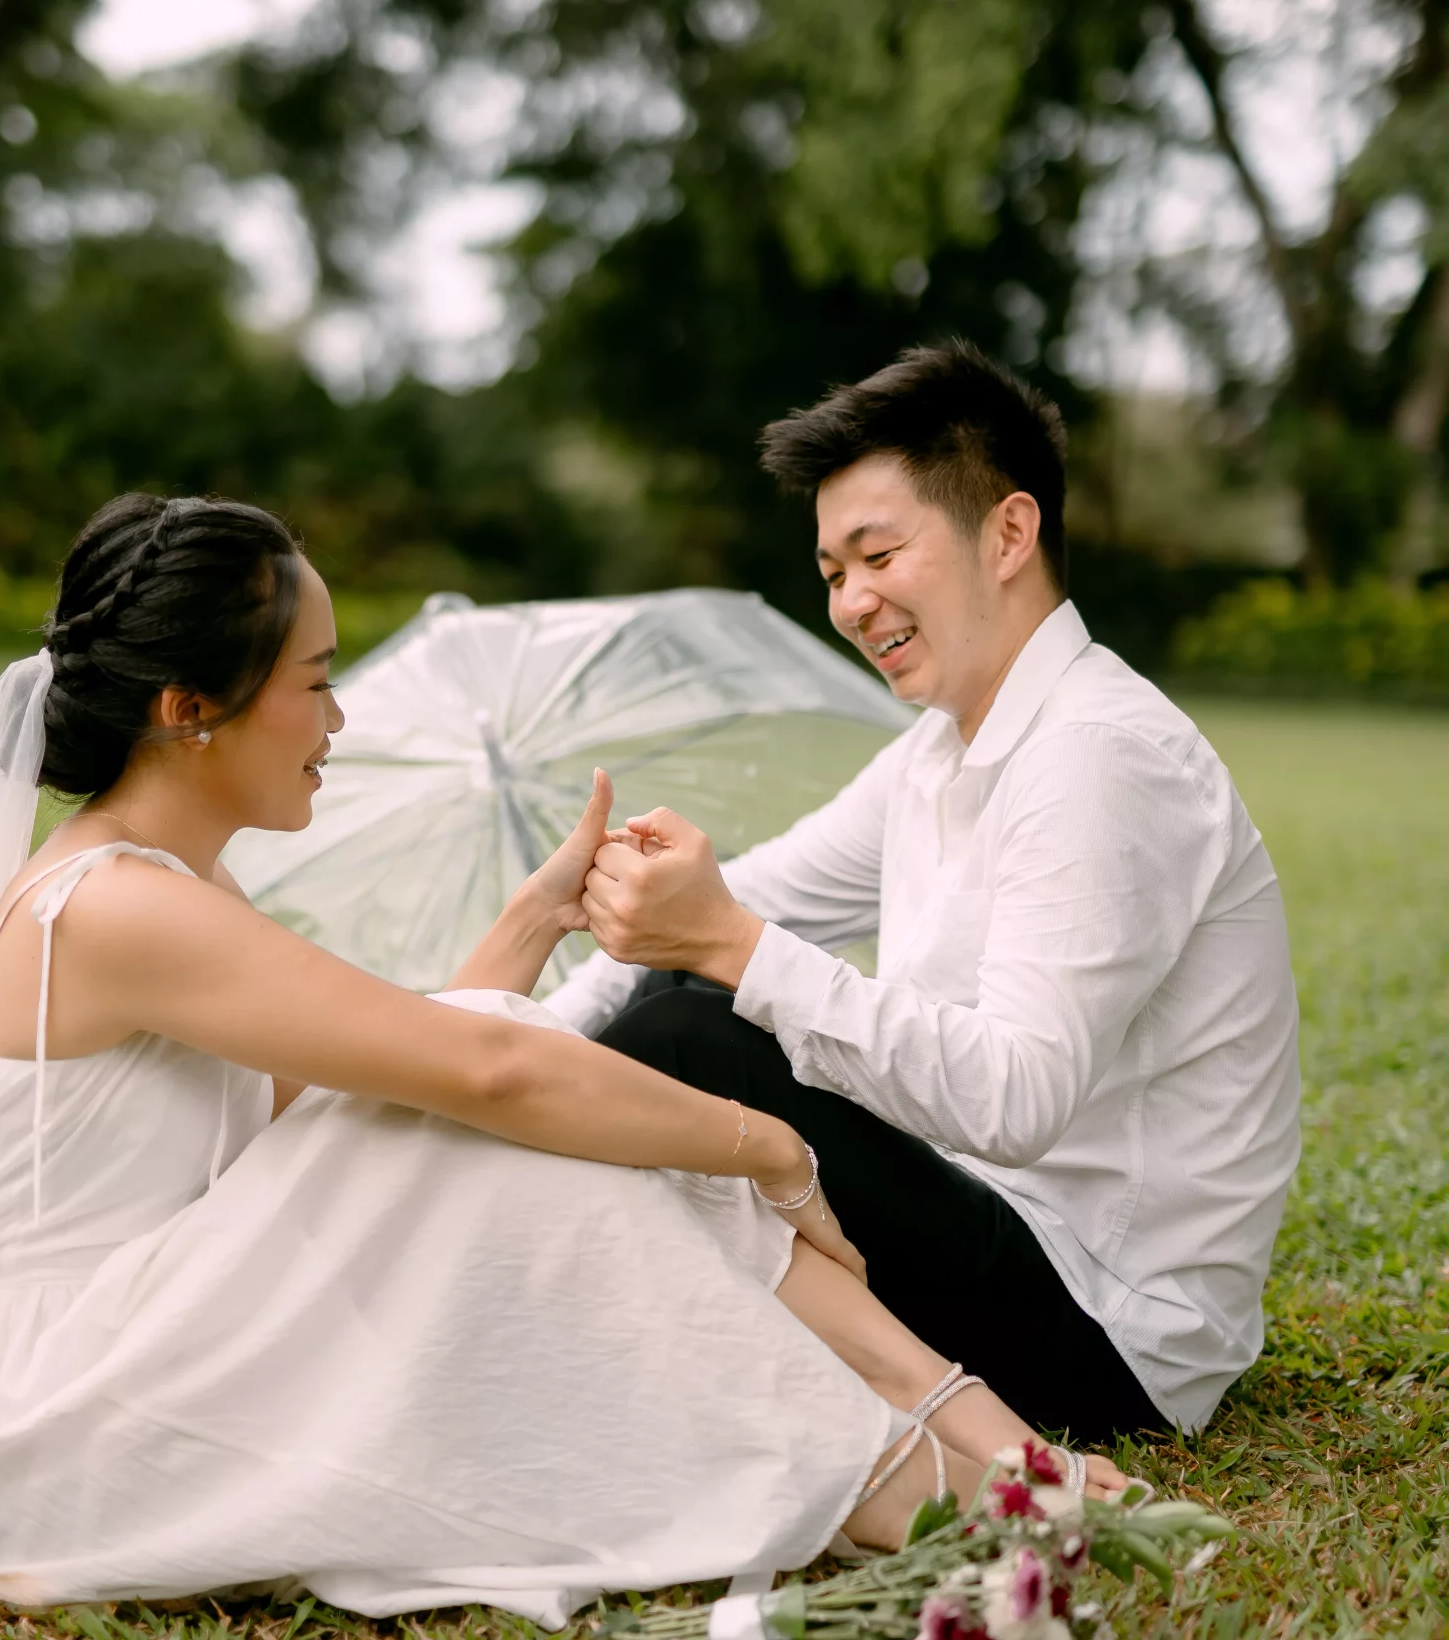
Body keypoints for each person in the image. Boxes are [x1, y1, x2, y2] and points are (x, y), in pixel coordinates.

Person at [0, 491, 1130, 1640]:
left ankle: (978, 1448)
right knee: (534, 1123)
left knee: (515, 1117)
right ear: (190, 709)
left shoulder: (163, 886)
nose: (338, 718)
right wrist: (772, 1147)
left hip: (130, 1340)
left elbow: (373, 1095)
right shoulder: (114, 907)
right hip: (48, 1423)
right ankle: (926, 1476)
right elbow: (471, 1073)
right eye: (314, 681)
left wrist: (528, 927)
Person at [545, 344, 1302, 1446]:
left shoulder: (1100, 753)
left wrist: (728, 943)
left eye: (879, 554)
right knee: (679, 1007)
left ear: (1009, 533)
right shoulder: (940, 748)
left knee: (692, 1035)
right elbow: (751, 898)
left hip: (1105, 1328)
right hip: (982, 1220)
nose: (853, 603)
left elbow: (1015, 1099)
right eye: (832, 573)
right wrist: (530, 1019)